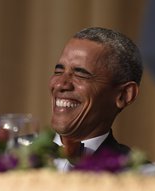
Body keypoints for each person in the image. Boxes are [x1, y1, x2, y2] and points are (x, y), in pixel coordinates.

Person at [49, 27, 143, 171]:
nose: (61, 84)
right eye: (58, 71)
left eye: (81, 74)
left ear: (124, 95)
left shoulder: (139, 176)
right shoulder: (9, 154)